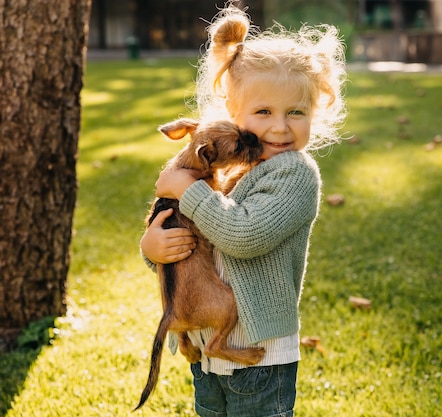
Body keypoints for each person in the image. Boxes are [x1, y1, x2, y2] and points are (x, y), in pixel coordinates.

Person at [139, 3, 347, 416]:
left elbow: (243, 236)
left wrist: (186, 190)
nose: (280, 127)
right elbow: (195, 247)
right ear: (234, 114)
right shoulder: (229, 172)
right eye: (264, 112)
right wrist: (153, 247)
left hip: (260, 351)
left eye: (296, 113)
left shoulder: (294, 175)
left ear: (315, 114)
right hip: (208, 347)